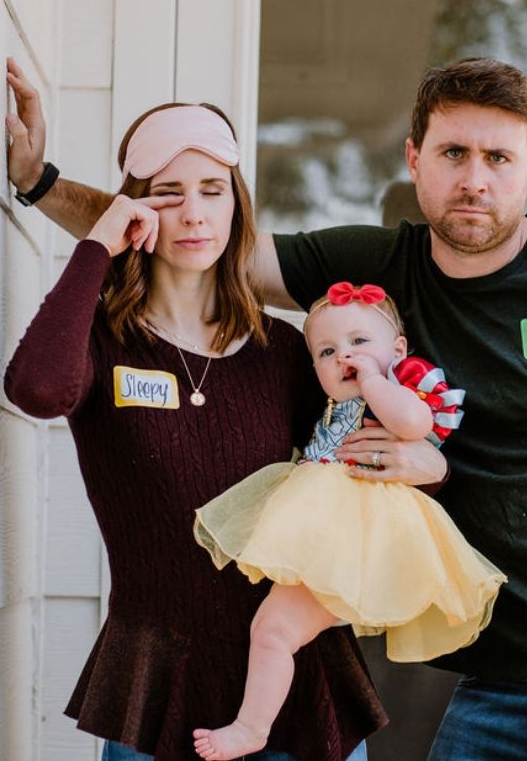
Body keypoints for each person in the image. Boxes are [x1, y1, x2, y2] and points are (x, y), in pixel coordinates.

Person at [7, 56, 527, 759]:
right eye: (453, 152)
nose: (474, 178)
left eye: (498, 156)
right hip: (494, 683)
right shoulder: (375, 267)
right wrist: (42, 184)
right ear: (414, 159)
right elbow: (202, 233)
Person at [3, 95, 448, 761]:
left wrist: (432, 467)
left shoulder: (284, 350)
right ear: (134, 208)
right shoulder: (106, 343)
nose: (192, 212)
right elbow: (38, 388)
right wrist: (98, 244)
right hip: (157, 683)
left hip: (296, 684)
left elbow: (361, 462)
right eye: (166, 193)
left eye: (212, 189)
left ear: (235, 203)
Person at [191, 282, 505, 760]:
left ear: (397, 350)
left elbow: (415, 424)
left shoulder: (393, 391)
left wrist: (379, 381)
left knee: (272, 631)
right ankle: (254, 725)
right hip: (331, 526)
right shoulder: (336, 402)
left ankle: (251, 727)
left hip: (361, 533)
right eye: (327, 350)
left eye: (360, 343)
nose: (345, 357)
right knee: (274, 631)